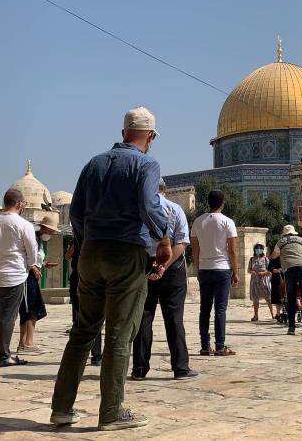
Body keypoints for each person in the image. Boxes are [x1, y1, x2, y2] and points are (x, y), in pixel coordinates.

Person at [51, 106, 170, 431]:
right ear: (151, 136)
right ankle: (112, 411)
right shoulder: (146, 164)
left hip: (91, 253)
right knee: (119, 333)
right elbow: (148, 205)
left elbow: (76, 212)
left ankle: (61, 408)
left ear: (122, 133)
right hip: (126, 253)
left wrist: (86, 243)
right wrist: (163, 238)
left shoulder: (95, 163)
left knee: (83, 331)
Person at [132, 178, 197, 381]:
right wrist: (164, 265)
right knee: (174, 318)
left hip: (145, 266)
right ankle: (180, 368)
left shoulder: (139, 210)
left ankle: (139, 368)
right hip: (173, 268)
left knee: (143, 318)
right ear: (165, 190)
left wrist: (152, 264)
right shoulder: (175, 209)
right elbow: (182, 242)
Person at [0, 188, 39, 368]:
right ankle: (3, 356)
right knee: (7, 317)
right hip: (13, 276)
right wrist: (30, 266)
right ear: (20, 203)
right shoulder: (23, 224)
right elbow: (32, 252)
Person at [191, 189, 238, 356]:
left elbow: (195, 250)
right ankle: (220, 345)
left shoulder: (198, 222)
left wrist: (198, 268)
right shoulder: (228, 222)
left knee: (204, 309)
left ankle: (205, 345)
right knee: (220, 309)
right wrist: (236, 271)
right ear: (223, 202)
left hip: (205, 268)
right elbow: (232, 250)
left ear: (208, 202)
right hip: (222, 268)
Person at [17, 213, 60, 354]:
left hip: (33, 277)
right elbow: (25, 256)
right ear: (44, 228)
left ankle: (24, 343)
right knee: (30, 309)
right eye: (51, 231)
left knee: (33, 309)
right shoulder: (32, 238)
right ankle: (27, 343)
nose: (51, 234)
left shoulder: (39, 240)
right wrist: (33, 267)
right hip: (27, 277)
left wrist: (44, 264)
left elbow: (35, 258)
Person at [271, 225, 302, 335]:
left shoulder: (280, 242)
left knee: (291, 298)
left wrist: (281, 253)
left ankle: (291, 328)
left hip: (289, 269)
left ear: (284, 234)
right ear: (293, 232)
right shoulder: (300, 239)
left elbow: (273, 256)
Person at [66, 240, 102, 366]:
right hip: (81, 276)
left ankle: (93, 354)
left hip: (89, 275)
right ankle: (90, 354)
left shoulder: (91, 237)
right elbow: (67, 256)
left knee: (90, 316)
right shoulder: (79, 239)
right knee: (84, 317)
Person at [248, 243, 273, 322]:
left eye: (260, 249)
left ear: (262, 250)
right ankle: (256, 315)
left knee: (268, 298)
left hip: (264, 280)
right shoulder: (251, 259)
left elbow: (270, 270)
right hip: (255, 281)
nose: (258, 250)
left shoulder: (265, 259)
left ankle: (273, 314)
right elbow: (248, 270)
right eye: (256, 249)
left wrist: (264, 272)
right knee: (255, 299)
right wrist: (252, 272)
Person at [268, 253, 284, 321]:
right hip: (277, 279)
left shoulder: (289, 257)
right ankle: (278, 313)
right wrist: (274, 270)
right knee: (278, 296)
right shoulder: (274, 258)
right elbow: (269, 267)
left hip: (287, 278)